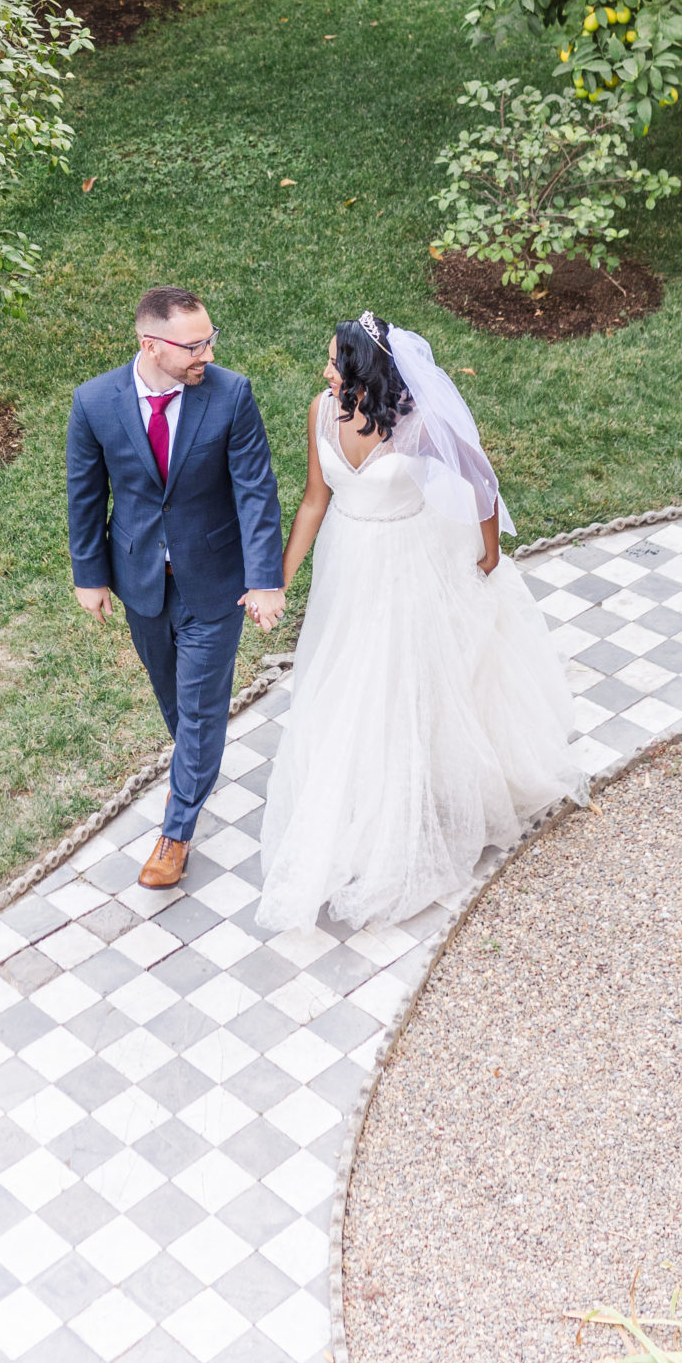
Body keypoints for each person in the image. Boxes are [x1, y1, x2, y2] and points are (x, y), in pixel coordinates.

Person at [257, 311, 586, 935]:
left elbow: (482, 481)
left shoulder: (422, 423)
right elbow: (313, 500)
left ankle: (415, 803)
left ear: (365, 370)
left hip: (409, 566)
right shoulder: (320, 412)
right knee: (343, 679)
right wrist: (279, 577)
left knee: (403, 682)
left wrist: (489, 552)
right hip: (347, 566)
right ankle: (358, 800)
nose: (324, 370)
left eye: (334, 361)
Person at [68, 286, 285, 890]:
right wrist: (90, 573)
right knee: (178, 704)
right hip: (141, 580)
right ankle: (198, 757)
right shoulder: (94, 404)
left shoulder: (231, 395)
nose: (207, 355)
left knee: (200, 706)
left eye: (210, 340)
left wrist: (265, 579)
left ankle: (176, 831)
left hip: (215, 583)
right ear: (150, 345)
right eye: (194, 345)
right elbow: (86, 496)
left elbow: (256, 491)